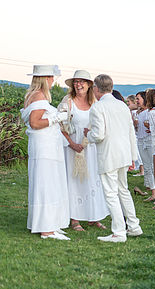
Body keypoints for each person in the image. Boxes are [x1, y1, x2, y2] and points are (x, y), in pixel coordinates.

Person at [84, 74, 143, 242]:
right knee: (123, 190)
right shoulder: (123, 106)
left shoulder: (97, 108)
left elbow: (99, 135)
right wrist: (133, 156)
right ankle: (133, 226)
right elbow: (131, 132)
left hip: (108, 155)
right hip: (124, 154)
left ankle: (118, 232)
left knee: (111, 193)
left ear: (96, 88)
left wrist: (89, 135)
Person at [20, 65, 70, 240]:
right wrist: (57, 117)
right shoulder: (39, 96)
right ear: (44, 79)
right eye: (51, 78)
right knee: (46, 184)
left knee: (48, 183)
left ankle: (49, 224)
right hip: (44, 148)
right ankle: (46, 229)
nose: (52, 81)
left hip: (45, 147)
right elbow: (35, 123)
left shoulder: (34, 96)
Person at [59, 70, 109, 232]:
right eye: (76, 82)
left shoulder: (95, 102)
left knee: (93, 180)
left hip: (91, 148)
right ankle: (75, 218)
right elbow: (59, 125)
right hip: (73, 149)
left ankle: (94, 217)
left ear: (89, 85)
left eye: (82, 81)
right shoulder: (68, 101)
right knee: (75, 180)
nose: (78, 84)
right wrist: (72, 143)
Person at [135, 91, 155, 202]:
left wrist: (151, 127)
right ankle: (152, 190)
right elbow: (137, 129)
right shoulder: (137, 113)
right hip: (140, 140)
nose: (136, 101)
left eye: (138, 98)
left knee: (153, 166)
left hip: (149, 140)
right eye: (136, 99)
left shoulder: (150, 112)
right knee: (147, 166)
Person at [126, 95, 145, 179]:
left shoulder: (134, 112)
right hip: (136, 134)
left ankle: (141, 171)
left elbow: (136, 124)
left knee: (138, 154)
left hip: (136, 134)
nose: (127, 104)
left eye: (128, 102)